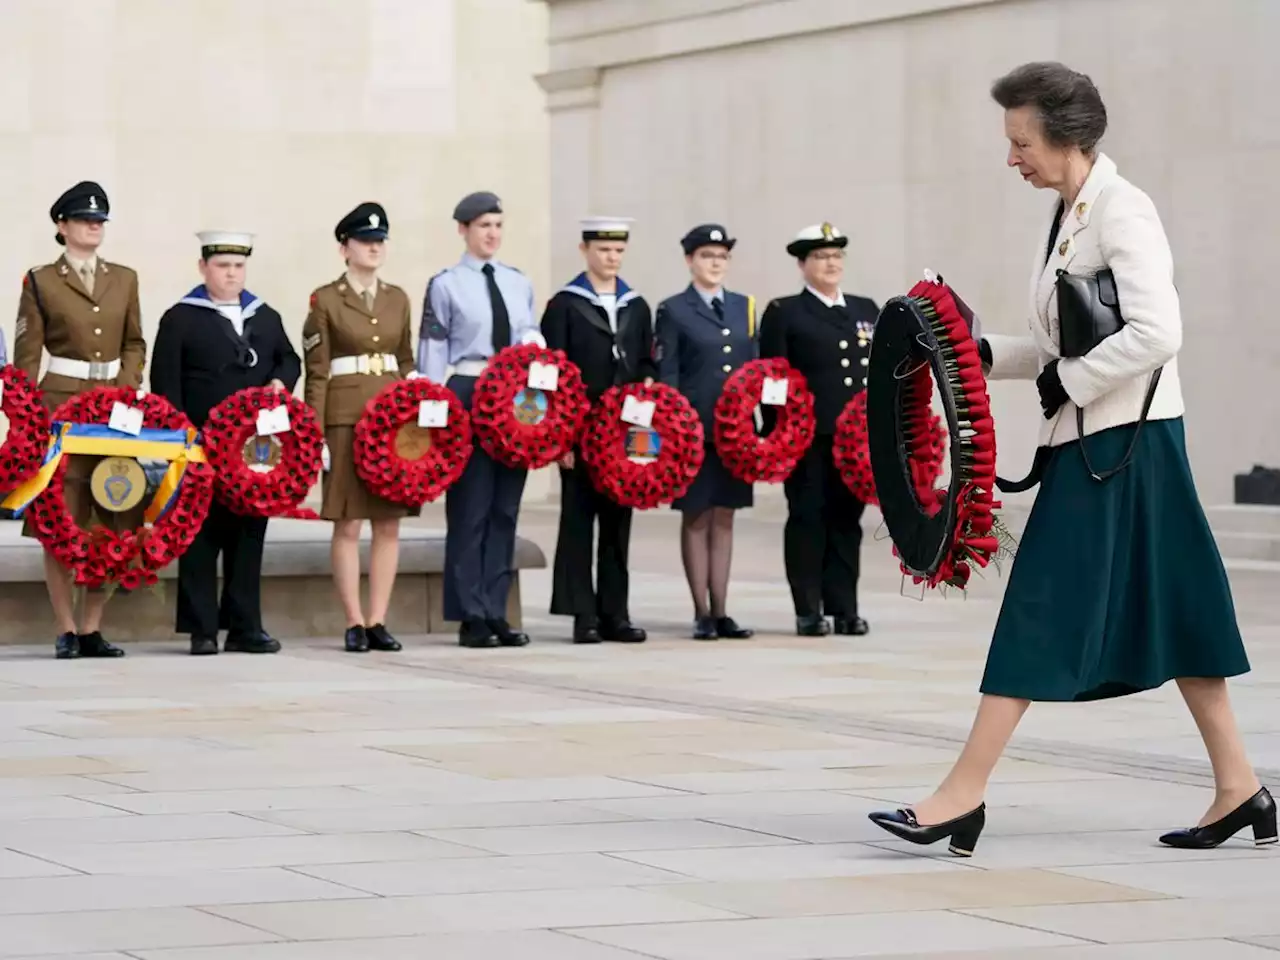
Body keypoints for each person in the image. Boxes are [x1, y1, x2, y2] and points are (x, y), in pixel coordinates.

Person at [869, 61, 1270, 855]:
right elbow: (1065, 341)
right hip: (1109, 444)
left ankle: (961, 795)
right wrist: (969, 351)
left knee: (1040, 606)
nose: (1011, 156)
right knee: (1184, 612)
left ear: (1065, 135)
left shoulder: (1124, 211)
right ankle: (1241, 789)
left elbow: (1157, 333)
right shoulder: (1070, 212)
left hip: (1122, 446)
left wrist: (1068, 382)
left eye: (1020, 141)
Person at [151, 231, 300, 656]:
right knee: (200, 534)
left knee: (249, 534)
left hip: (254, 450)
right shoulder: (180, 317)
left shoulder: (264, 315)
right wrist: (181, 437)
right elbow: (165, 382)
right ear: (204, 268)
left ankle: (244, 625)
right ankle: (202, 629)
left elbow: (289, 358)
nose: (231, 273)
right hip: (201, 446)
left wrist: (280, 381)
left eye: (238, 266)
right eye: (222, 266)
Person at [14, 181, 145, 660]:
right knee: (60, 517)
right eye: (85, 219)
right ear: (62, 226)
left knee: (111, 509)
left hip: (115, 408)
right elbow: (28, 356)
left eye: (100, 219)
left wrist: (126, 391)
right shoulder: (41, 281)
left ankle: (92, 626)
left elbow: (135, 342)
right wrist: (25, 417)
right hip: (60, 405)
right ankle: (65, 626)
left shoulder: (125, 278)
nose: (95, 225)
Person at [419, 191, 542, 649]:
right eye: (483, 225)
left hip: (514, 396)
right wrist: (431, 411)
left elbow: (527, 328)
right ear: (463, 230)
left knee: (505, 508)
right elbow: (433, 348)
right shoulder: (447, 284)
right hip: (469, 391)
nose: (491, 234)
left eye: (497, 225)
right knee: (470, 507)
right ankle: (470, 612)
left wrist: (536, 351)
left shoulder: (517, 281)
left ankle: (497, 608)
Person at [303, 202, 417, 654]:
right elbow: (317, 371)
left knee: (388, 523)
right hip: (346, 418)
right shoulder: (326, 299)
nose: (374, 247)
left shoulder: (398, 298)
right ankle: (353, 619)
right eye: (365, 241)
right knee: (348, 523)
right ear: (344, 248)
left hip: (391, 419)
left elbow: (405, 360)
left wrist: (415, 406)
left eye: (379, 240)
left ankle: (378, 619)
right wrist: (315, 431)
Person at [758, 223, 876, 638]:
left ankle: (845, 607)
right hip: (806, 439)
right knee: (808, 519)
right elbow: (771, 378)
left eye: (836, 256)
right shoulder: (784, 312)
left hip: (855, 441)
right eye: (821, 257)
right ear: (802, 264)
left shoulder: (865, 310)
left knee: (847, 521)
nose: (831, 264)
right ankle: (808, 609)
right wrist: (773, 436)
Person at [541, 217, 655, 645]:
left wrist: (646, 382)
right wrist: (560, 439)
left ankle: (615, 612)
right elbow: (553, 373)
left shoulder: (636, 305)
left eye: (618, 251)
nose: (612, 258)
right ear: (585, 250)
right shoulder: (565, 305)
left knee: (618, 522)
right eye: (604, 250)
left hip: (625, 432)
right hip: (581, 430)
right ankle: (582, 613)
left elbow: (646, 359)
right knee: (577, 520)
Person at [655, 223, 756, 641]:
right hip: (693, 430)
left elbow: (756, 367)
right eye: (706, 257)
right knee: (697, 517)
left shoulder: (744, 306)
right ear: (689, 261)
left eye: (721, 257)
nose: (715, 264)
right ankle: (701, 611)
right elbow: (669, 374)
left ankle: (722, 608)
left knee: (726, 517)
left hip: (735, 433)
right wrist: (673, 430)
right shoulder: (674, 309)